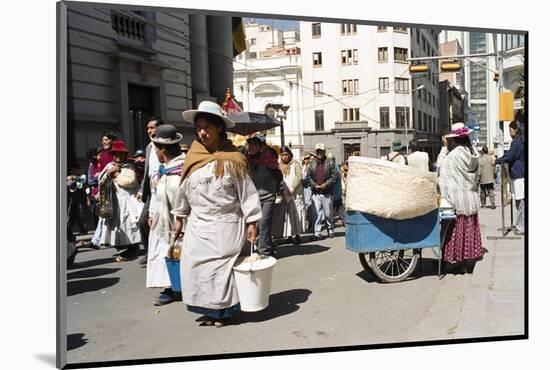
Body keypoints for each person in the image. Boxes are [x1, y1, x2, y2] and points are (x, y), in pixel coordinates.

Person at [172, 101, 262, 327]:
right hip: (198, 226)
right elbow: (184, 190)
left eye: (207, 127)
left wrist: (252, 220)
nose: (203, 132)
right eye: (199, 127)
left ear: (219, 128)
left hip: (226, 224)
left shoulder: (233, 159)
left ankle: (224, 312)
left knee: (221, 270)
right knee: (197, 269)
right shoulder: (193, 157)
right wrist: (179, 216)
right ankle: (208, 309)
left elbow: (246, 192)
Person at [146, 125, 186, 306]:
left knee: (176, 254)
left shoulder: (179, 169)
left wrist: (180, 222)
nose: (155, 153)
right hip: (162, 222)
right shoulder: (166, 169)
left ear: (163, 150)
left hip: (176, 223)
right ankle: (170, 286)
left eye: (156, 149)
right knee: (165, 254)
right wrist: (152, 212)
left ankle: (177, 288)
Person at [439, 123, 483, 273]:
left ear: (454, 139)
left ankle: (456, 262)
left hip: (458, 202)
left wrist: (444, 148)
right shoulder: (472, 154)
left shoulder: (453, 155)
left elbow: (441, 172)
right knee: (468, 231)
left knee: (456, 232)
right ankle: (466, 261)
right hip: (470, 201)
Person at [96, 140, 143, 261]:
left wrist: (116, 175)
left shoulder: (129, 166)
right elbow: (101, 180)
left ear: (125, 154)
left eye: (120, 154)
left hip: (129, 200)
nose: (117, 156)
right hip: (114, 200)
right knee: (119, 224)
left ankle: (133, 248)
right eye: (115, 154)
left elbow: (130, 182)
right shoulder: (109, 166)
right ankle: (126, 245)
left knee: (129, 224)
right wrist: (108, 174)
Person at [246, 133, 283, 257]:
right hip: (253, 197)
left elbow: (278, 176)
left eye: (254, 145)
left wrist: (276, 190)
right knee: (253, 224)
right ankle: (266, 245)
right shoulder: (246, 160)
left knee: (264, 223)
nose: (251, 147)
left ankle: (264, 251)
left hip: (268, 196)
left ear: (260, 147)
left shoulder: (268, 159)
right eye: (249, 145)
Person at [137, 117, 165, 265]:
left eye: (153, 127)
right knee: (143, 222)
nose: (150, 131)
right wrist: (142, 190)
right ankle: (149, 252)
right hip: (151, 193)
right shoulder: (149, 148)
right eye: (148, 128)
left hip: (165, 189)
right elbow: (148, 172)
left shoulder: (167, 144)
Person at [496, 120, 525, 235]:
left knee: (520, 203)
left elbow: (510, 156)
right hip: (518, 175)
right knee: (519, 202)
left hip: (519, 176)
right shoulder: (519, 141)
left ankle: (521, 226)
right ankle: (519, 224)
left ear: (515, 129)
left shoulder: (517, 142)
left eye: (510, 130)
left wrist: (497, 160)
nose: (510, 132)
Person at [272, 146, 304, 245]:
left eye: (286, 155)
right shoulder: (278, 165)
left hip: (295, 192)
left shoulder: (295, 164)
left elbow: (299, 175)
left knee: (295, 214)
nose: (285, 157)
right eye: (282, 155)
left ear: (289, 155)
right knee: (286, 215)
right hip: (284, 192)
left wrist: (293, 187)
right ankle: (289, 235)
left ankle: (297, 235)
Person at [307, 143, 338, 240]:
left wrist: (326, 184)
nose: (319, 153)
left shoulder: (330, 163)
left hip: (327, 192)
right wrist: (314, 185)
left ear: (324, 152)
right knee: (316, 213)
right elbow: (309, 177)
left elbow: (334, 176)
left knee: (328, 213)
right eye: (318, 151)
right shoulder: (312, 164)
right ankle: (317, 232)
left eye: (321, 151)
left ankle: (330, 229)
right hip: (316, 192)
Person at [67, 163, 89, 235]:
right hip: (73, 200)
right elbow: (69, 186)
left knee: (82, 214)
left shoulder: (82, 176)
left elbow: (83, 181)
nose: (75, 171)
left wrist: (74, 178)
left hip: (81, 199)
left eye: (76, 170)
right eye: (73, 170)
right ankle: (68, 230)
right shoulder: (69, 178)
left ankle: (84, 230)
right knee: (71, 215)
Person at [87, 147, 103, 225]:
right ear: (95, 156)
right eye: (100, 155)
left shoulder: (105, 164)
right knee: (96, 215)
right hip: (95, 195)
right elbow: (90, 181)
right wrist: (100, 177)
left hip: (104, 193)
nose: (102, 156)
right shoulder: (92, 166)